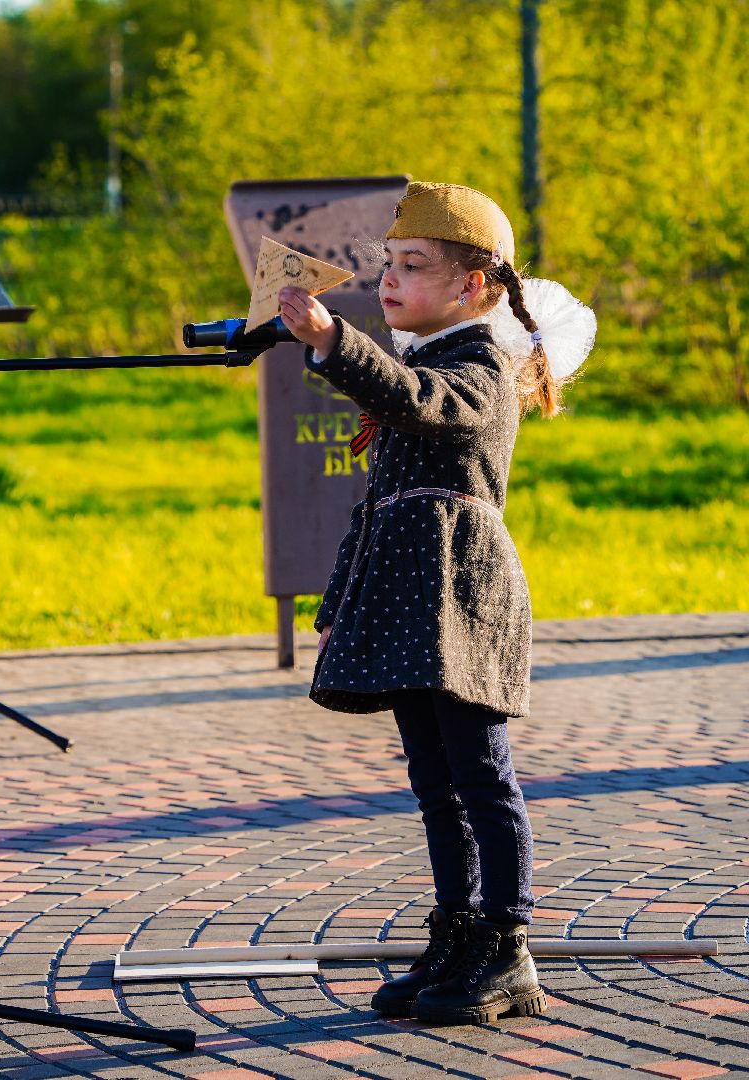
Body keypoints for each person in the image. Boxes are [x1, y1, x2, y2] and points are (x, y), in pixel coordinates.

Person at [277, 181, 571, 1027]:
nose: (388, 282)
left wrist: (338, 343)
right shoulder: (423, 361)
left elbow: (423, 406)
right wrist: (338, 598)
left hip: (464, 597)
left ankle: (506, 948)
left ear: (473, 286)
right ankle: (456, 933)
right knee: (435, 782)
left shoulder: (481, 368)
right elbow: (379, 501)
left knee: (483, 778)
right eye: (386, 265)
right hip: (412, 600)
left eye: (412, 267)